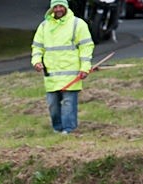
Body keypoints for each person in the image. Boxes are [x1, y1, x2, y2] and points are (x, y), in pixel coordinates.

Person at [31, 0, 94, 134]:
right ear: (51, 8)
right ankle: (57, 129)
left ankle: (69, 130)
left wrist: (85, 68)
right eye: (55, 7)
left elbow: (86, 47)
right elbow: (37, 46)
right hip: (51, 75)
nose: (58, 9)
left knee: (68, 104)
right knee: (52, 105)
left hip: (71, 74)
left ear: (66, 7)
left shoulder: (78, 24)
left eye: (61, 6)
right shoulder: (44, 26)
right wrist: (36, 61)